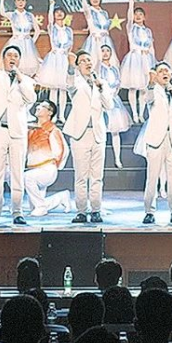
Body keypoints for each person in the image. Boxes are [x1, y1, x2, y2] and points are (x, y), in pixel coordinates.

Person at [0, 40, 38, 225]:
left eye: (15, 56)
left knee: (17, 173)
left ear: (19, 60)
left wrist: (19, 77)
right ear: (3, 58)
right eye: (9, 55)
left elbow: (31, 98)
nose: (12, 58)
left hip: (18, 132)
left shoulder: (26, 80)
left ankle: (17, 212)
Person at [64, 50, 117, 223]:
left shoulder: (101, 83)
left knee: (97, 176)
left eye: (89, 60)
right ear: (78, 65)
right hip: (80, 134)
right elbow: (69, 83)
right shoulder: (75, 81)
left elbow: (109, 105)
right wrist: (70, 66)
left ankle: (96, 210)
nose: (88, 63)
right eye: (83, 61)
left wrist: (101, 88)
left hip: (97, 134)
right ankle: (81, 211)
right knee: (81, 176)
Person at [140, 62, 172, 225]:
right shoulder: (153, 90)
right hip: (156, 140)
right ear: (156, 75)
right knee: (152, 177)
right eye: (161, 71)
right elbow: (148, 98)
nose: (164, 73)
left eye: (167, 71)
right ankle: (149, 211)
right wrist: (150, 83)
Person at [25, 100, 72, 217]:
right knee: (33, 206)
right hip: (33, 168)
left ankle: (41, 207)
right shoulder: (31, 129)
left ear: (50, 112)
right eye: (38, 105)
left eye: (42, 106)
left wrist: (53, 165)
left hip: (46, 169)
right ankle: (61, 197)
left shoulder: (53, 130)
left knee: (27, 178)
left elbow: (62, 150)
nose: (38, 107)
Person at [37, 0, 75, 120]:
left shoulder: (69, 30)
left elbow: (71, 45)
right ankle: (52, 115)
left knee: (63, 89)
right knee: (53, 89)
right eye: (56, 12)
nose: (59, 14)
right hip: (54, 59)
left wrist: (67, 55)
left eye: (61, 12)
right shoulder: (52, 28)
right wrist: (51, 6)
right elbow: (49, 20)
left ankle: (62, 115)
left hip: (64, 59)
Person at [119, 0, 155, 123]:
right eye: (136, 14)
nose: (138, 16)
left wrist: (153, 64)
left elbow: (151, 47)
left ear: (144, 17)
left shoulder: (148, 31)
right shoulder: (131, 28)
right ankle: (134, 113)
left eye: (140, 14)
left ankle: (141, 114)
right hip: (134, 59)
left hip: (146, 60)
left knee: (144, 88)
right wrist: (131, 4)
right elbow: (129, 18)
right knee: (133, 87)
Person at [100, 45, 131, 169]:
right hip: (103, 100)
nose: (105, 53)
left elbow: (117, 84)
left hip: (114, 100)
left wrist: (113, 94)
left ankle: (117, 158)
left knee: (115, 131)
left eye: (108, 51)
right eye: (103, 51)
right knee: (101, 132)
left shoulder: (114, 69)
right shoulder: (98, 69)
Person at [0, 0, 42, 75]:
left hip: (27, 44)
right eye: (18, 0)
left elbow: (37, 30)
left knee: (28, 66)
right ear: (15, 2)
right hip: (16, 41)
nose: (21, 2)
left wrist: (32, 41)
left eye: (23, 0)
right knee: (14, 63)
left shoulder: (30, 15)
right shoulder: (12, 14)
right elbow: (2, 13)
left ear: (25, 2)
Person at [81, 0, 118, 66]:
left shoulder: (104, 13)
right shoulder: (89, 11)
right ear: (89, 0)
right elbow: (85, 8)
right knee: (94, 59)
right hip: (95, 39)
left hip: (105, 39)